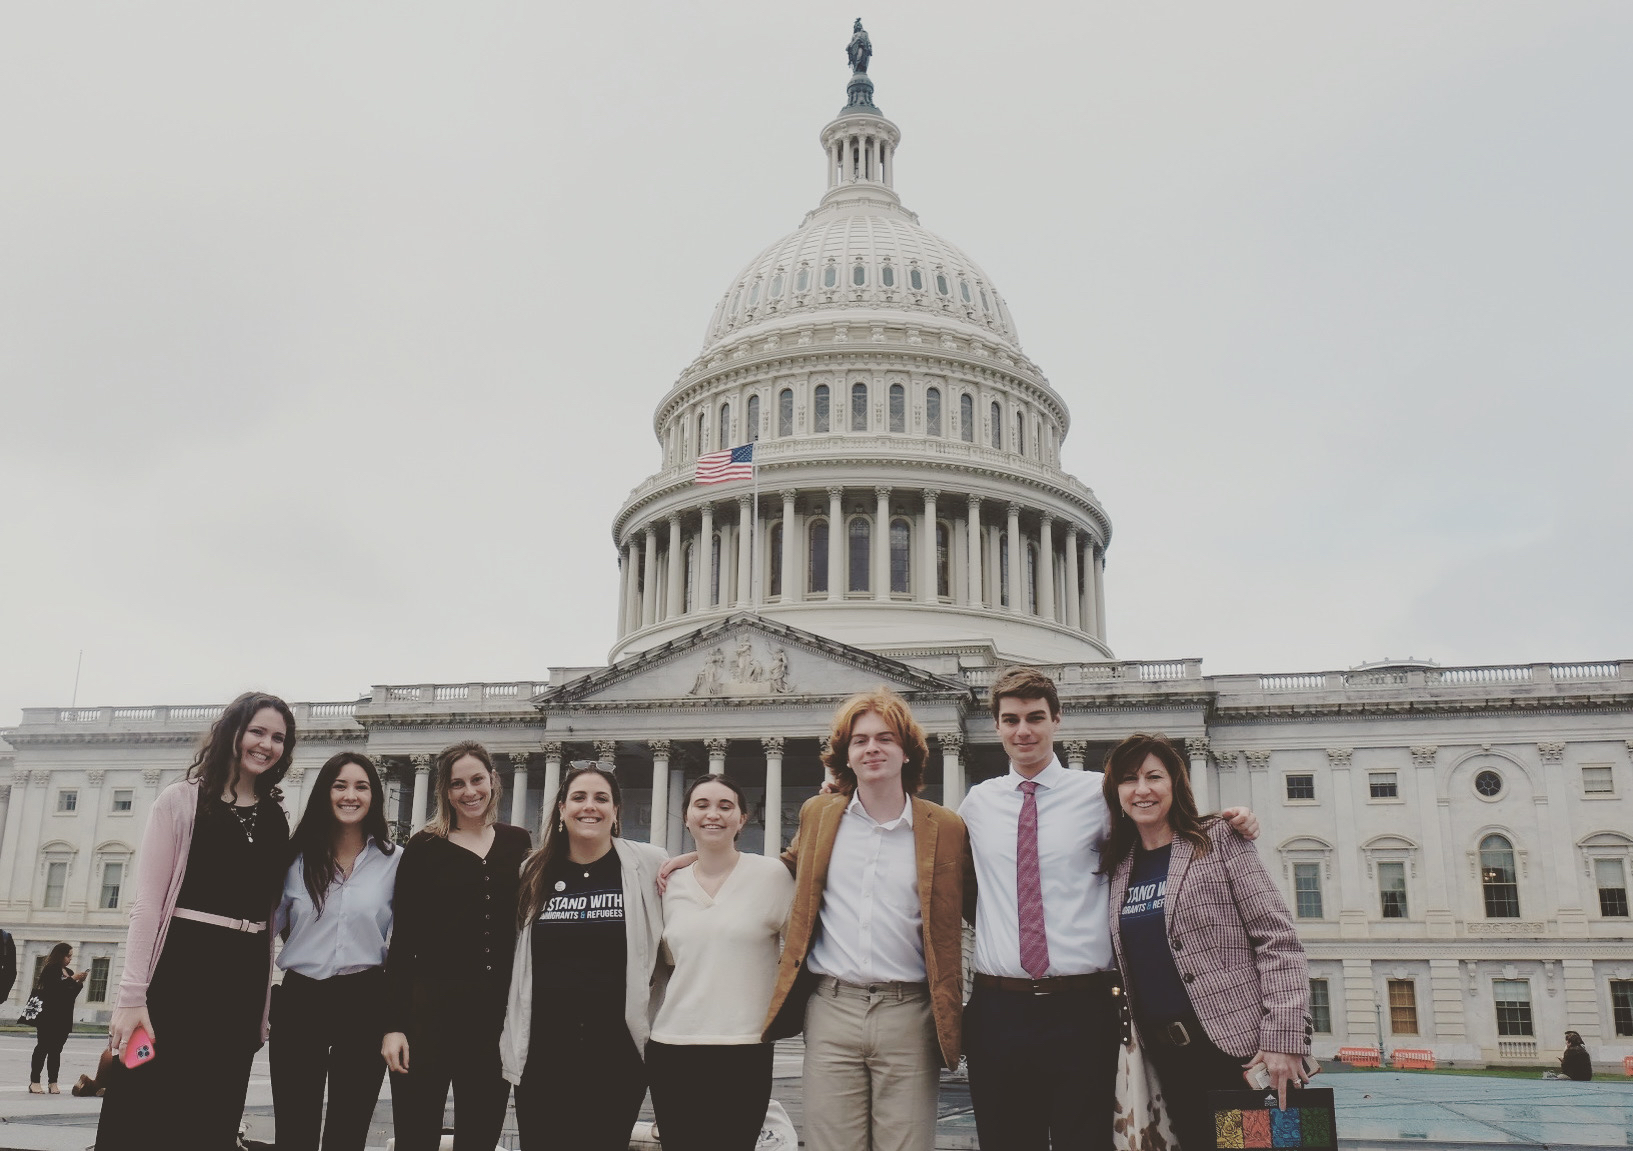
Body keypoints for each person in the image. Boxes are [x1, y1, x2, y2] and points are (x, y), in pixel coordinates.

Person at [959, 668, 1260, 1151]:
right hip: (999, 1008)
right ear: (996, 726)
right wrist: (840, 802)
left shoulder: (1100, 794)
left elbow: (1161, 830)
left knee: (1089, 1142)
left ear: (1056, 719)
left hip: (1084, 1005)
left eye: (1036, 717)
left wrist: (1228, 821)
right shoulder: (976, 803)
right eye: (1011, 720)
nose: (1023, 731)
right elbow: (934, 863)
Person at [763, 687, 968, 1151]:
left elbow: (982, 900)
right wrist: (699, 858)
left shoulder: (947, 827)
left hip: (909, 1011)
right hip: (833, 1006)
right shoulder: (819, 814)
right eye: (860, 740)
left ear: (907, 752)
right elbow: (778, 871)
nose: (872, 748)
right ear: (846, 757)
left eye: (885, 738)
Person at [97, 691, 296, 1151]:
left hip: (241, 981)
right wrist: (130, 998)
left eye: (278, 738)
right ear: (234, 733)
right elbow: (147, 904)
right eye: (258, 732)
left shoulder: (275, 816)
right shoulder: (180, 800)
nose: (267, 745)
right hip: (177, 971)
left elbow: (273, 910)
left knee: (214, 1111)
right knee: (137, 1094)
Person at [1102, 733, 1311, 1151]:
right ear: (1117, 793)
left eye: (1153, 776)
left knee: (1259, 1148)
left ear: (1175, 784)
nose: (1142, 789)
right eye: (1129, 779)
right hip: (1168, 1061)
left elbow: (1277, 939)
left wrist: (1283, 1040)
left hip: (1239, 1053)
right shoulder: (1118, 865)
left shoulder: (1216, 839)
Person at [499, 764, 668, 1151]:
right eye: (578, 798)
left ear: (616, 810)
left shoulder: (648, 865)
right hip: (544, 1051)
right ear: (560, 809)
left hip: (617, 1053)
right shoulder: (532, 870)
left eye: (601, 798)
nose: (589, 807)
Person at [383, 742, 530, 1151]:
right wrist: (393, 1025)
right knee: (415, 1136)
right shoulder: (423, 847)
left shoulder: (518, 842)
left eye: (477, 780)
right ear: (444, 792)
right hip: (426, 1017)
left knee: (480, 1137)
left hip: (492, 1022)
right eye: (457, 784)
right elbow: (403, 940)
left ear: (493, 781)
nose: (470, 792)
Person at [647, 774, 794, 1151]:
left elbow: (801, 949)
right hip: (672, 1045)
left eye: (725, 806)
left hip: (744, 1046)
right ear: (686, 817)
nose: (713, 814)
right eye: (702, 805)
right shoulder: (666, 883)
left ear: (743, 819)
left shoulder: (772, 876)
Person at [272, 752, 401, 1151]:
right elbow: (266, 930)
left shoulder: (395, 861)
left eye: (361, 786)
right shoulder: (292, 859)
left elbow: (407, 943)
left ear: (374, 796)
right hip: (301, 997)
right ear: (324, 793)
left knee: (349, 1129)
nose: (350, 795)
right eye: (340, 785)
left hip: (365, 998)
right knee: (295, 1128)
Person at [28, 943, 86, 1093]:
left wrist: (79, 983)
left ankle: (53, 1082)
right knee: (42, 1047)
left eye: (71, 956)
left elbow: (70, 995)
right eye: (68, 956)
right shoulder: (50, 970)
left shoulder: (69, 972)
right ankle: (34, 1081)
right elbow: (53, 990)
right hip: (48, 1016)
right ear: (60, 955)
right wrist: (72, 979)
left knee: (56, 1050)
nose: (70, 959)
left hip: (63, 1017)